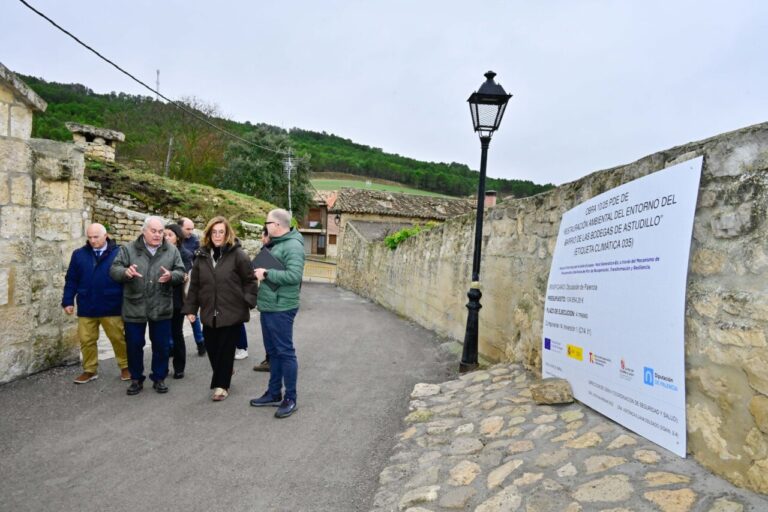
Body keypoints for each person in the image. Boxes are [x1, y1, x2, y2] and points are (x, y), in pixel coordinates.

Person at [183, 216, 258, 401]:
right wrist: (191, 309)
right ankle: (225, 371)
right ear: (209, 234)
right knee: (212, 347)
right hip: (209, 311)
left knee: (225, 350)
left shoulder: (238, 255)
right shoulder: (201, 256)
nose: (217, 235)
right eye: (214, 232)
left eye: (221, 232)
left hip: (232, 311)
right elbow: (195, 285)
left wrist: (247, 301)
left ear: (227, 234)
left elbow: (250, 280)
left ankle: (221, 386)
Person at [110, 216, 185, 395]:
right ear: (144, 231)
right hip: (134, 305)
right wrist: (126, 272)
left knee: (161, 345)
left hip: (161, 305)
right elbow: (114, 269)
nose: (158, 235)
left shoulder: (171, 250)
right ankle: (136, 379)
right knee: (134, 345)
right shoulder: (128, 249)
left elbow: (181, 272)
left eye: (160, 232)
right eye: (153, 231)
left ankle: (159, 378)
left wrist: (171, 276)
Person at [249, 209, 305, 419]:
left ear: (278, 225)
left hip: (282, 307)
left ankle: (290, 398)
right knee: (273, 353)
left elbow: (294, 275)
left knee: (285, 352)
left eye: (267, 223)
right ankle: (274, 393)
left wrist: (266, 273)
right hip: (270, 305)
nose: (266, 226)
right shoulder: (278, 242)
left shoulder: (292, 246)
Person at [62, 223, 129, 384]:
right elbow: (71, 279)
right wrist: (68, 300)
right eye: (90, 237)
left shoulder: (119, 253)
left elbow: (127, 278)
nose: (92, 241)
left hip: (111, 304)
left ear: (105, 236)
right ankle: (89, 370)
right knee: (86, 340)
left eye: (96, 237)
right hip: (87, 304)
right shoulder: (79, 254)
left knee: (118, 338)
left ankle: (126, 367)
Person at [164, 223, 194, 379]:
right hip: (160, 299)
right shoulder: (158, 252)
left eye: (170, 234)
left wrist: (176, 276)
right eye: (165, 234)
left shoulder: (185, 254)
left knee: (176, 333)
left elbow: (184, 276)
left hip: (177, 299)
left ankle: (179, 367)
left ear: (177, 238)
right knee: (161, 334)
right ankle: (162, 368)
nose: (166, 237)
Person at [178, 217, 206, 356]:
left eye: (192, 229)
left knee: (192, 313)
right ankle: (173, 345)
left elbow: (198, 259)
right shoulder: (171, 237)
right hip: (173, 281)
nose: (191, 232)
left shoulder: (194, 241)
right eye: (188, 229)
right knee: (175, 316)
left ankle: (200, 342)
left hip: (189, 281)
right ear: (179, 228)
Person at [252, 227, 272, 373]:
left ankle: (271, 361)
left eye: (263, 236)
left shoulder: (271, 251)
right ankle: (269, 359)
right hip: (267, 298)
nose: (261, 239)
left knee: (271, 333)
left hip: (271, 299)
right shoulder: (266, 250)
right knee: (268, 333)